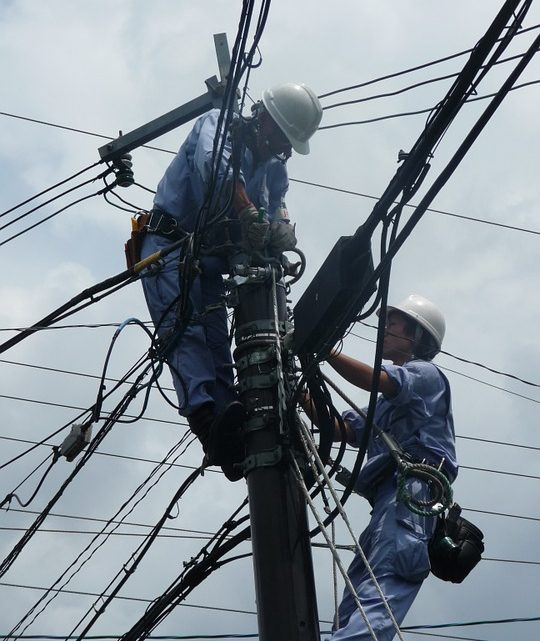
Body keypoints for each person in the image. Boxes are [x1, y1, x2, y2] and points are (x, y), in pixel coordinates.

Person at [140, 82, 323, 479]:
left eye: (290, 145)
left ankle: (231, 430)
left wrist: (280, 230)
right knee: (183, 332)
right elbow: (218, 173)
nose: (284, 150)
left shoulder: (275, 169)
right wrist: (249, 214)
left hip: (208, 261)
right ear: (263, 120)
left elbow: (276, 212)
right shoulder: (217, 125)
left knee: (218, 342)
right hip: (168, 248)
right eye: (282, 139)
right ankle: (207, 423)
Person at [304, 294, 458, 640]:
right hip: (388, 506)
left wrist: (322, 349)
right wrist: (293, 384)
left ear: (416, 333)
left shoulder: (425, 375)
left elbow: (380, 379)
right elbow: (342, 428)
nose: (384, 328)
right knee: (357, 595)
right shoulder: (385, 404)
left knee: (385, 585)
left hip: (412, 498)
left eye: (393, 322)